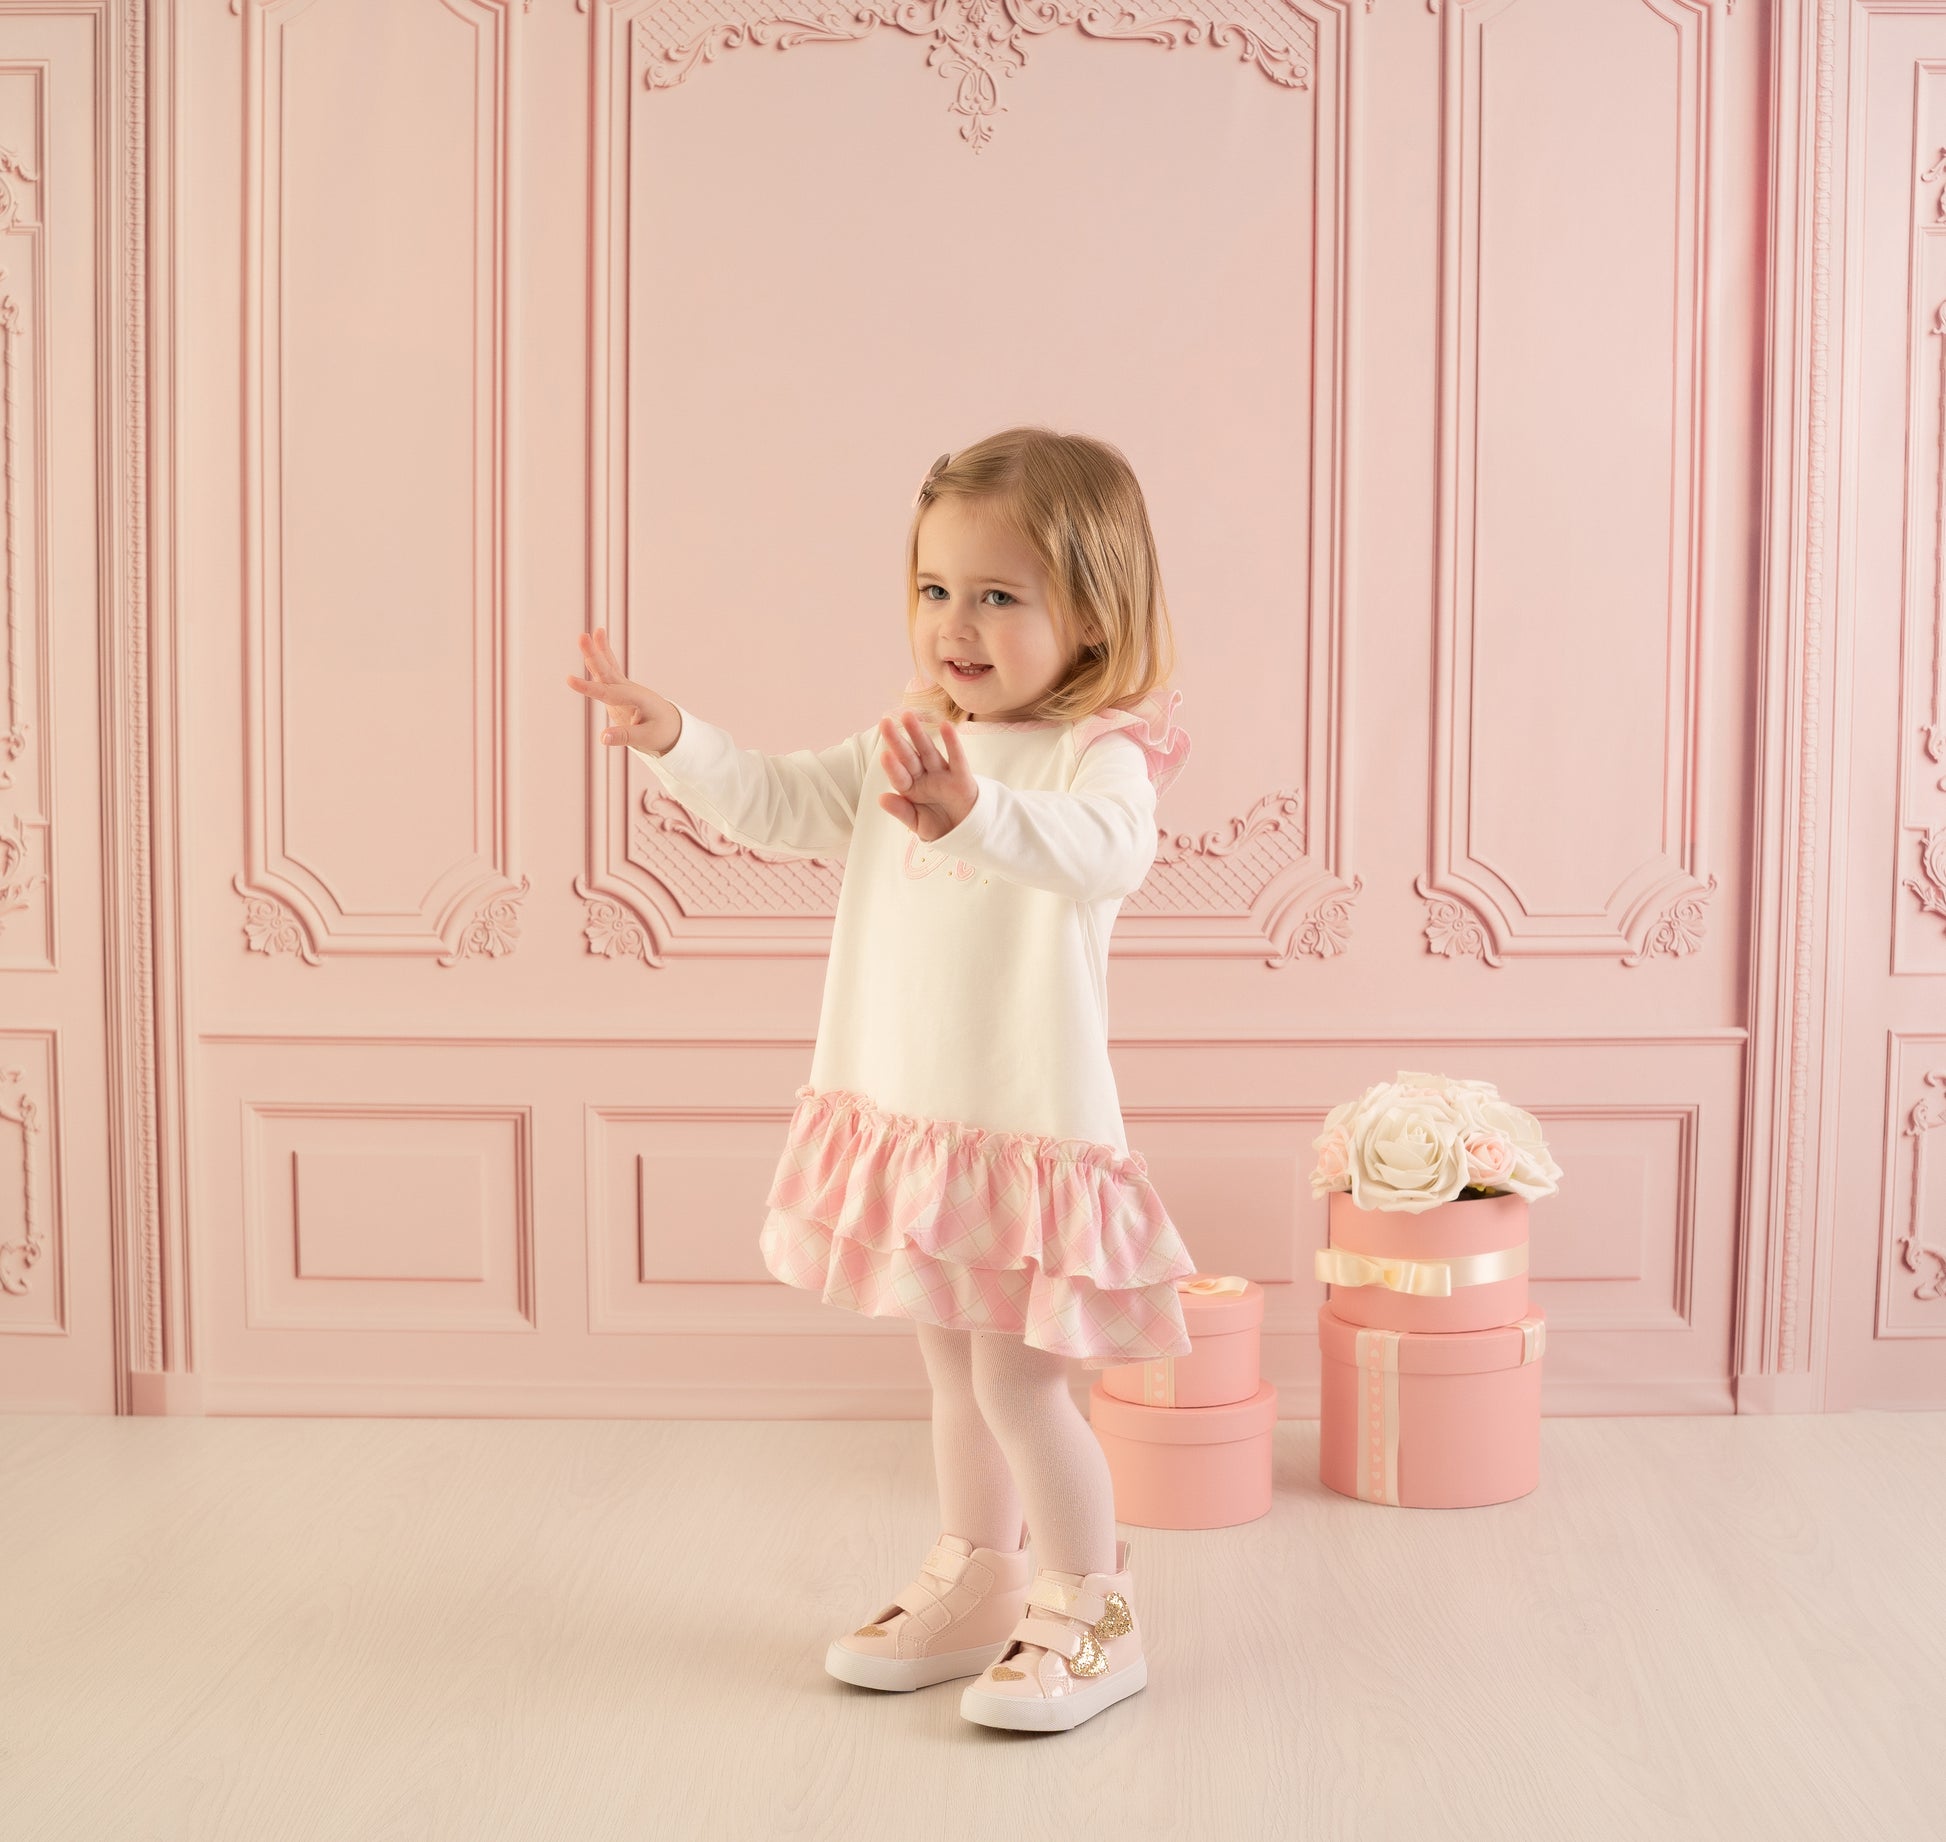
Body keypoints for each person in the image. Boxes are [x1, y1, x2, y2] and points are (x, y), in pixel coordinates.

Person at [566, 426, 1195, 1734]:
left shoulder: (1099, 754)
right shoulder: (908, 737)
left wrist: (973, 811)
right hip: (915, 1120)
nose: (955, 625)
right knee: (952, 1373)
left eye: (998, 594)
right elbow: (781, 801)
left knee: (1020, 1384)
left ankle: (1095, 1607)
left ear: (1092, 611)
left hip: (1021, 1130)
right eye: (934, 588)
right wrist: (675, 737)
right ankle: (981, 1573)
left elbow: (1105, 853)